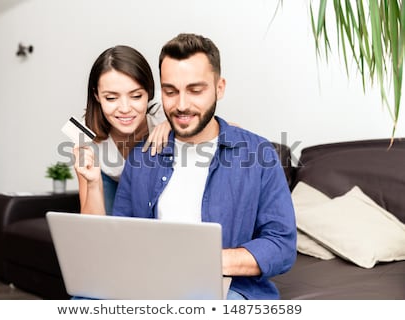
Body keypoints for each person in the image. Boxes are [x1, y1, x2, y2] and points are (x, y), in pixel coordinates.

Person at [112, 33, 297, 300]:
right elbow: (121, 237)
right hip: (150, 287)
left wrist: (201, 261)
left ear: (219, 88)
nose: (182, 105)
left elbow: (281, 246)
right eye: (170, 91)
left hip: (229, 289)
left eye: (195, 91)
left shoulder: (259, 155)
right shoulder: (142, 157)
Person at [73, 45, 170, 214]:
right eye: (111, 98)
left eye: (136, 96)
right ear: (97, 95)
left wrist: (173, 123)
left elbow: (227, 128)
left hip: (150, 182)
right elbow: (90, 226)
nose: (125, 109)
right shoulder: (84, 130)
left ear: (149, 91)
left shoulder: (163, 115)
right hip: (108, 182)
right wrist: (93, 183)